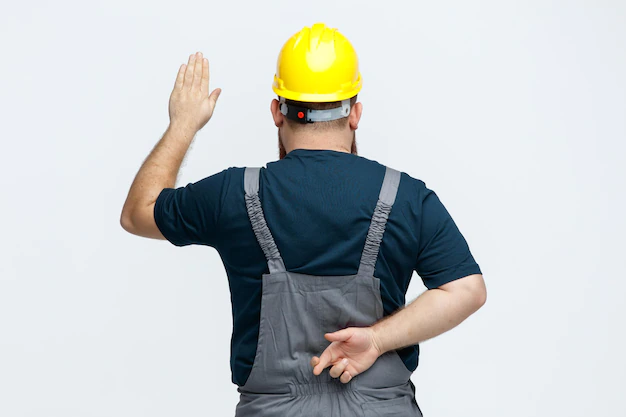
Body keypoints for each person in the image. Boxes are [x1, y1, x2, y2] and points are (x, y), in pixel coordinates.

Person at [121, 23, 486, 417]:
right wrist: (377, 340)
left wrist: (183, 124)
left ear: (278, 111)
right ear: (356, 113)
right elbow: (467, 289)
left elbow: (138, 213)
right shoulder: (406, 198)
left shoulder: (233, 195)